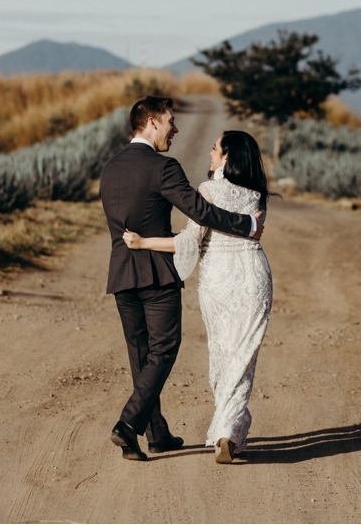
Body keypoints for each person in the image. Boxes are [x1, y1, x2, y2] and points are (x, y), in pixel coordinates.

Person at [99, 97, 264, 462]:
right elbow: (200, 211)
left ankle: (156, 434)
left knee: (141, 356)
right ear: (152, 122)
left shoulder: (109, 168)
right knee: (162, 352)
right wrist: (248, 224)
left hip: (122, 274)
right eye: (171, 121)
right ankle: (128, 425)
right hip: (157, 276)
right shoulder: (163, 167)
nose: (176, 129)